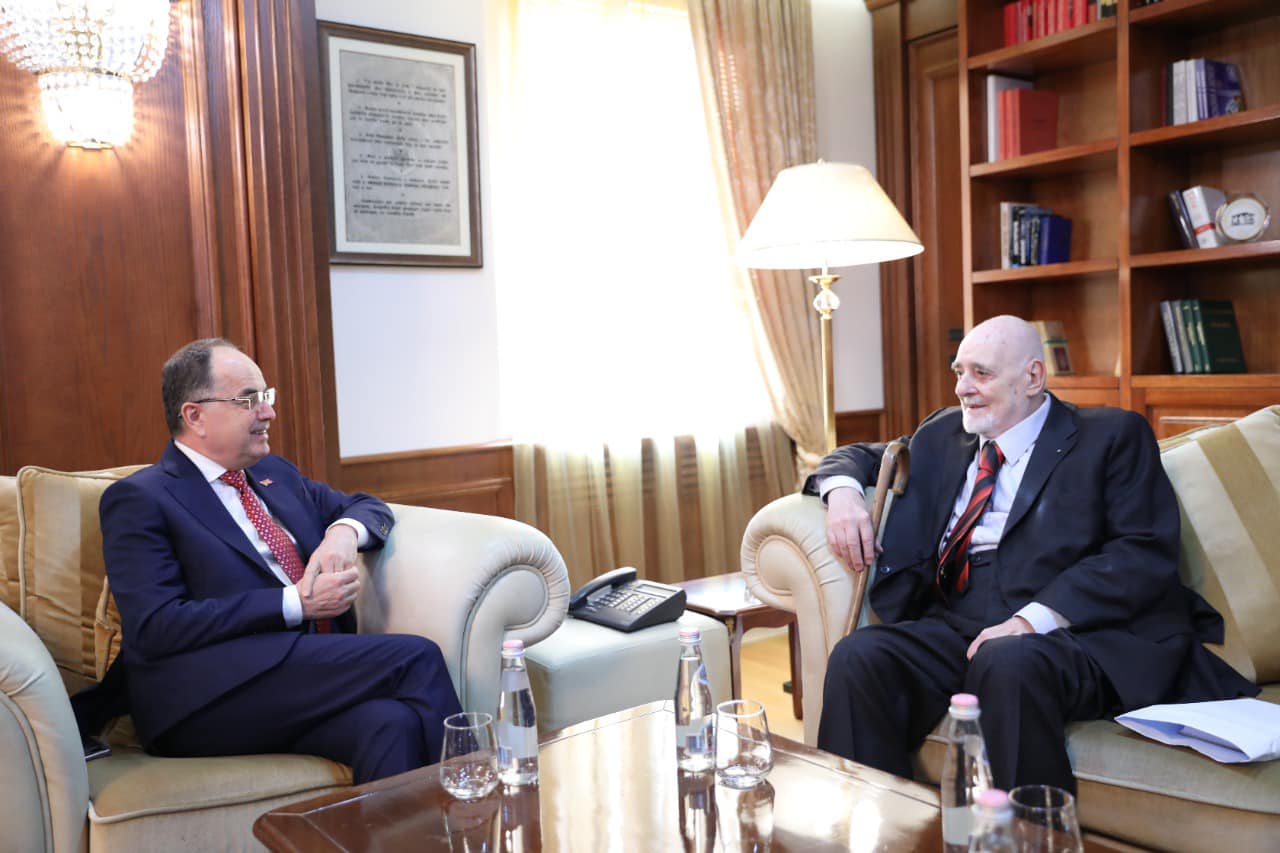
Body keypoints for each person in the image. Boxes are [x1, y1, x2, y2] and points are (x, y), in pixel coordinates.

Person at [806, 315, 1256, 792]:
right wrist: (843, 493)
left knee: (1007, 661)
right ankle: (882, 823)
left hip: (1069, 631)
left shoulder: (1111, 436)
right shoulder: (943, 433)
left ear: (1033, 378)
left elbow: (1141, 552)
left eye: (981, 373)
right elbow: (861, 456)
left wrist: (1029, 621)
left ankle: (1030, 830)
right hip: (956, 618)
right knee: (860, 657)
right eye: (959, 371)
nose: (962, 388)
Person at [98, 338, 462, 783]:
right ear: (195, 416)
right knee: (417, 657)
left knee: (390, 723)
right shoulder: (140, 499)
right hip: (206, 697)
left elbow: (367, 505)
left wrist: (342, 534)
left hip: (297, 675)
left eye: (266, 396)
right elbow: (157, 626)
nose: (268, 412)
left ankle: (415, 826)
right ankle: (480, 802)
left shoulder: (274, 475)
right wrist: (296, 604)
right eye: (248, 400)